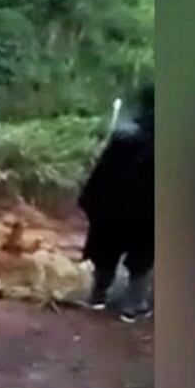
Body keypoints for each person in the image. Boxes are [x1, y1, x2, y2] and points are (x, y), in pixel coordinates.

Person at [79, 84, 154, 323]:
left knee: (106, 249)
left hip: (112, 207)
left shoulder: (124, 134)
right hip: (147, 211)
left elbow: (101, 174)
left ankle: (97, 296)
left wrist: (92, 203)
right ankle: (134, 305)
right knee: (142, 255)